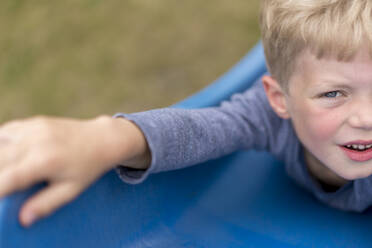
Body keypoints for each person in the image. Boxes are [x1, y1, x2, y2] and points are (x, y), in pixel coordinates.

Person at [1, 0, 372, 228]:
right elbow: (202, 129)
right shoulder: (270, 118)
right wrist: (105, 139)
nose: (366, 118)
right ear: (280, 99)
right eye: (334, 93)